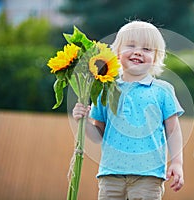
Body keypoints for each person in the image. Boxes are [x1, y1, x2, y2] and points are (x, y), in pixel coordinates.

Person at [72, 20, 184, 200]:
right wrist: (82, 121)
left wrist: (177, 163)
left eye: (147, 49)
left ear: (156, 58)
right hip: (110, 174)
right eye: (131, 45)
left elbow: (173, 130)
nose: (138, 51)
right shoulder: (105, 89)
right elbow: (97, 135)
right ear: (116, 52)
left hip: (148, 175)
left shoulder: (163, 90)